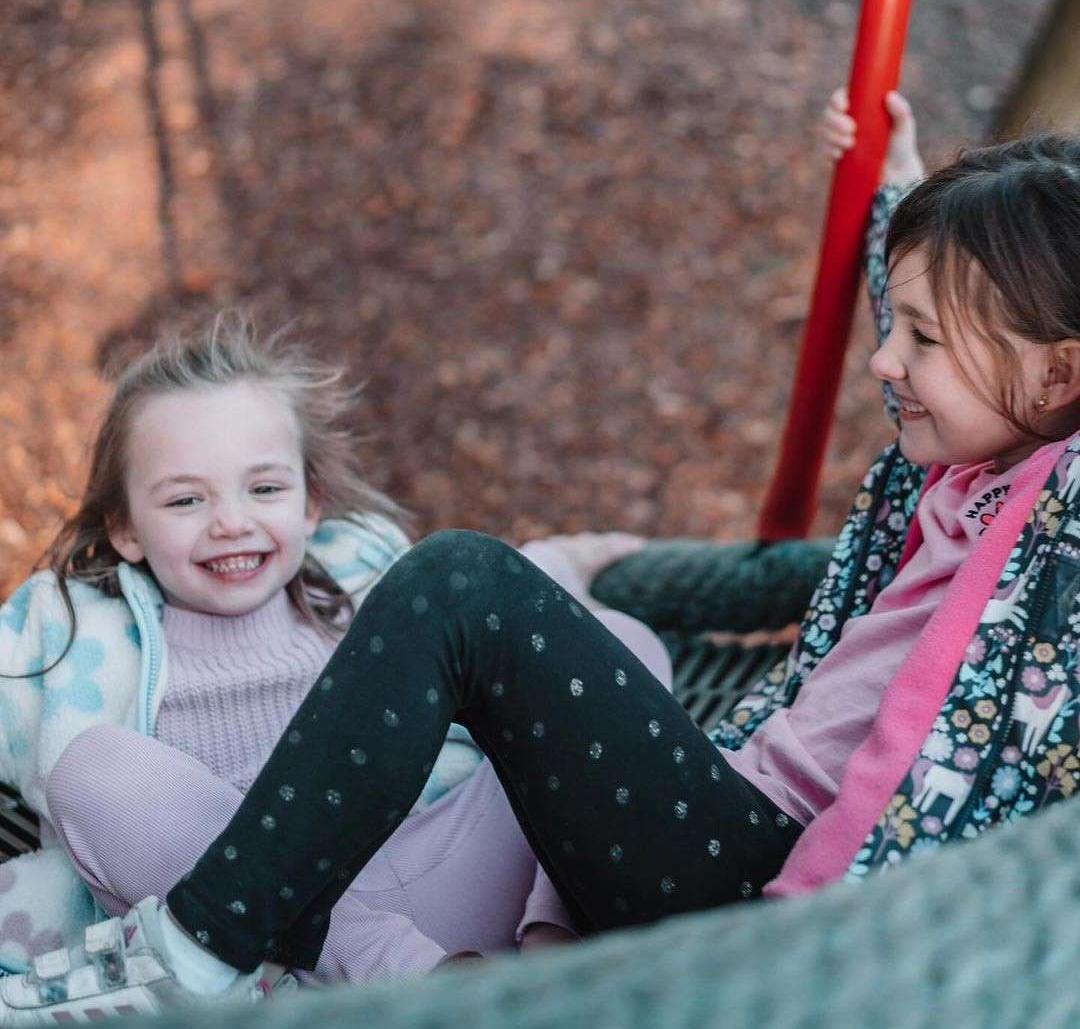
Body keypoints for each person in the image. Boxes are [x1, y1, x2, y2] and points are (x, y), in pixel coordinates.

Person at [8, 92, 1080, 1022]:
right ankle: (514, 967)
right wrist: (901, 196)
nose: (887, 356)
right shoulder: (955, 477)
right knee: (575, 630)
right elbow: (975, 336)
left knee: (461, 582)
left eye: (924, 340)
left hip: (770, 903)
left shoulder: (1056, 524)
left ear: (1059, 377)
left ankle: (199, 947)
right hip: (713, 827)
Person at [0, 314, 672, 1007]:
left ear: (311, 503)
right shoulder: (81, 635)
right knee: (95, 768)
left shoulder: (361, 578)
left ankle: (551, 944)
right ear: (125, 529)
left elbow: (488, 614)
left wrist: (563, 559)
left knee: (624, 645)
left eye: (263, 489)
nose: (231, 521)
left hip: (465, 861)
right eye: (186, 499)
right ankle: (430, 985)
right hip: (285, 931)